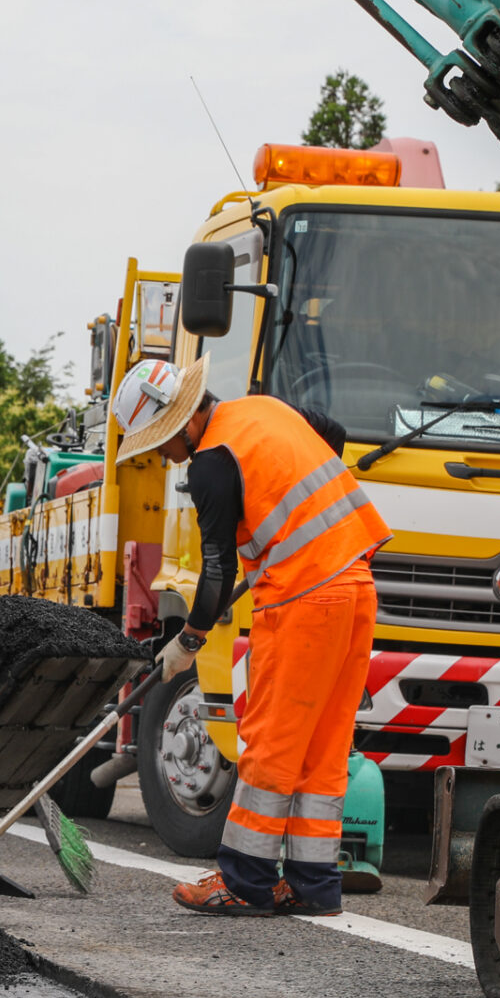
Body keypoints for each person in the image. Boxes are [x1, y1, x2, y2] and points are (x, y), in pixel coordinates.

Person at [119, 355, 389, 918]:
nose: (163, 455)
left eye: (160, 441)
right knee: (322, 747)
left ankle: (244, 881)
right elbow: (330, 435)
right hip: (357, 587)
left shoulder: (211, 465)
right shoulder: (264, 409)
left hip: (304, 601)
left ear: (182, 421)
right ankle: (313, 884)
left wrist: (187, 640)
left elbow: (217, 571)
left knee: (268, 742)